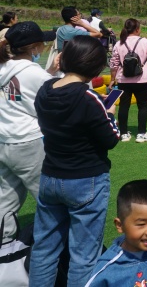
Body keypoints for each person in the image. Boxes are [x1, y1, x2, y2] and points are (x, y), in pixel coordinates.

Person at [29, 35, 120, 286]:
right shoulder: (89, 98)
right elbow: (111, 138)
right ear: (94, 67)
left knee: (44, 249)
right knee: (83, 256)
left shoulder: (45, 90)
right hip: (85, 180)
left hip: (50, 178)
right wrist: (110, 113)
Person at [0, 21, 58, 240]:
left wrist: (49, 72)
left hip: (4, 141)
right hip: (28, 143)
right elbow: (53, 102)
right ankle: (57, 247)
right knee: (48, 197)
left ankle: (4, 246)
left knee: (6, 198)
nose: (43, 47)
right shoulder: (35, 74)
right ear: (34, 47)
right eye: (41, 43)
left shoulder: (3, 67)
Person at [110, 18, 147, 143]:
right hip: (142, 79)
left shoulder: (119, 43)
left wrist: (112, 79)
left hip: (123, 80)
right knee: (143, 106)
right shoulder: (145, 42)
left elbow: (113, 64)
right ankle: (141, 134)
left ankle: (124, 134)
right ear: (137, 29)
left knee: (124, 106)